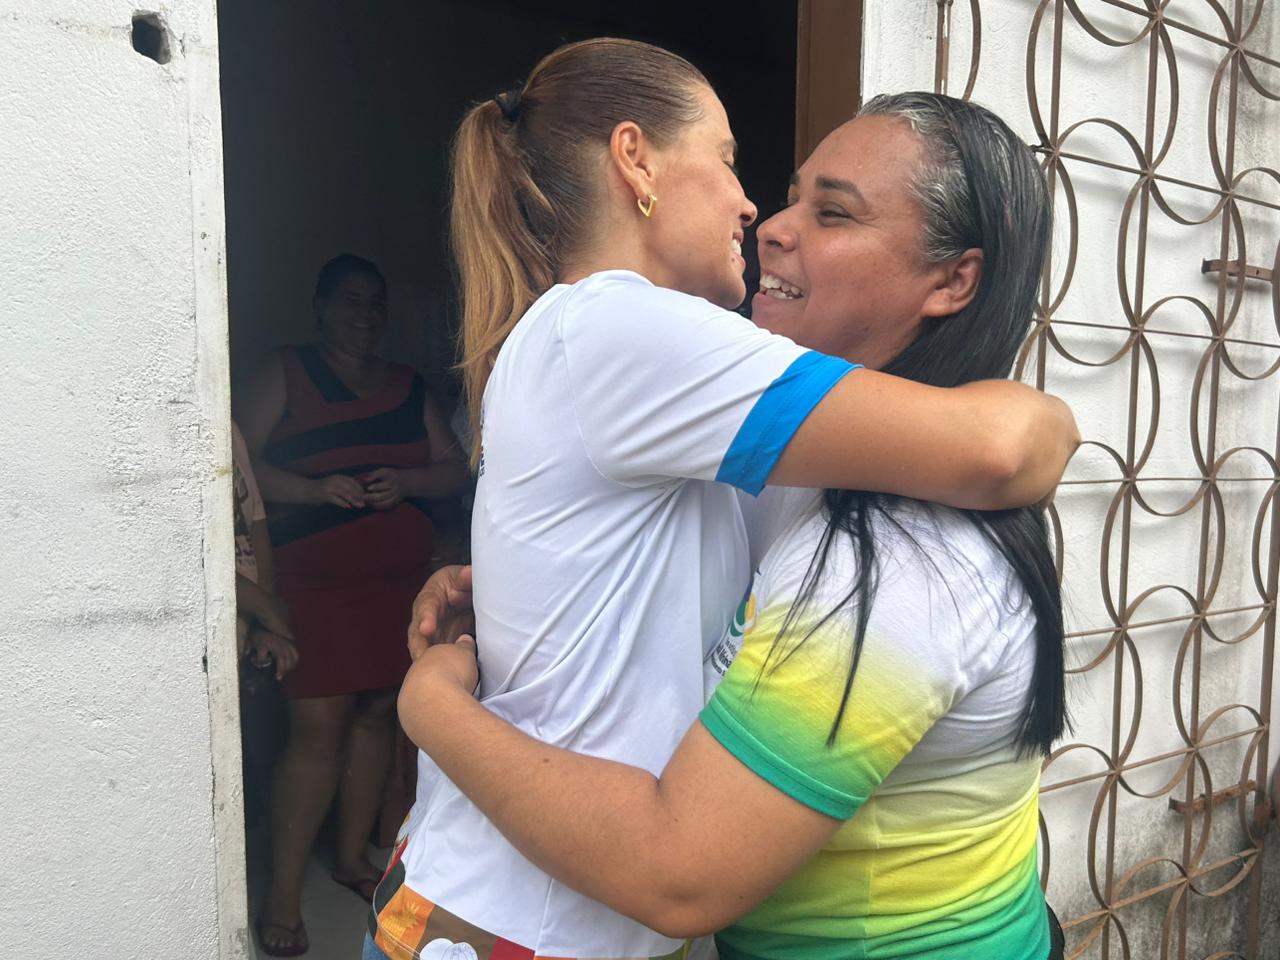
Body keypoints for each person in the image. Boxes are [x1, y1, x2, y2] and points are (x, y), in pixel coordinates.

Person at [371, 39, 1077, 960]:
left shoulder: (879, 529)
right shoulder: (616, 324)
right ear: (635, 162)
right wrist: (1047, 415)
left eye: (831, 211)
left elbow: (641, 555)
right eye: (736, 164)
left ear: (953, 280)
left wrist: (477, 644)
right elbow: (997, 446)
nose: (762, 216)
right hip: (521, 919)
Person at [236, 253, 468, 956]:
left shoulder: (407, 386)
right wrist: (313, 489)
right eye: (350, 301)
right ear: (320, 307)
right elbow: (235, 463)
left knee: (376, 711)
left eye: (375, 303)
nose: (364, 316)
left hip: (394, 584)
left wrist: (406, 481)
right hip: (312, 584)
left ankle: (348, 857)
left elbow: (454, 468)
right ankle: (281, 897)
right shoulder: (286, 372)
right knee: (318, 728)